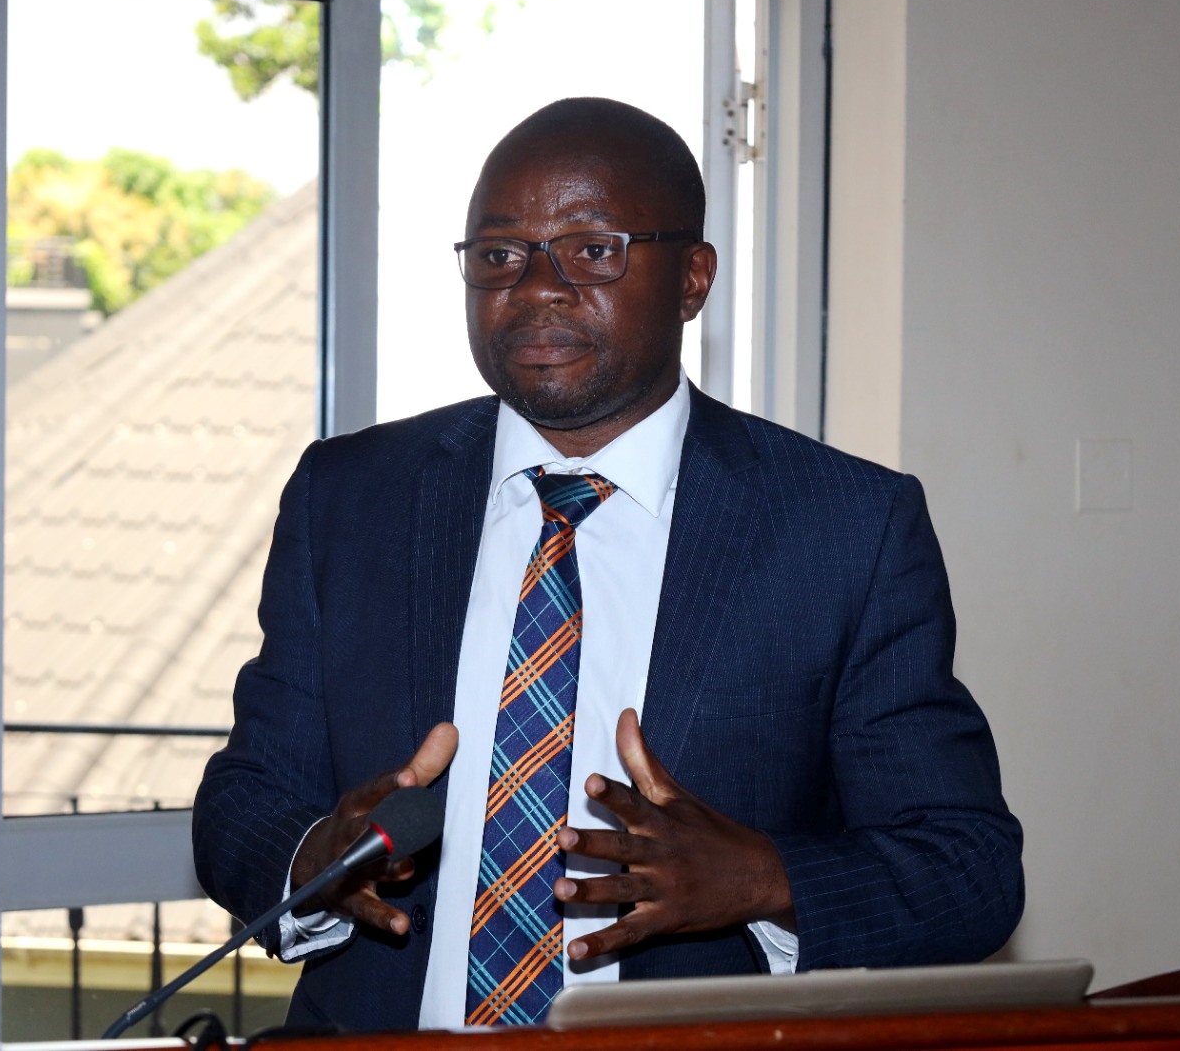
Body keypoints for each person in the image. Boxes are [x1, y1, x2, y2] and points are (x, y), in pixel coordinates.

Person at [193, 97, 1023, 1033]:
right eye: (500, 255)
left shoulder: (843, 527)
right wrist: (317, 855)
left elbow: (968, 869)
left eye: (592, 250)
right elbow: (244, 799)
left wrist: (760, 878)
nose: (537, 286)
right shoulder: (351, 497)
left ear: (692, 279)